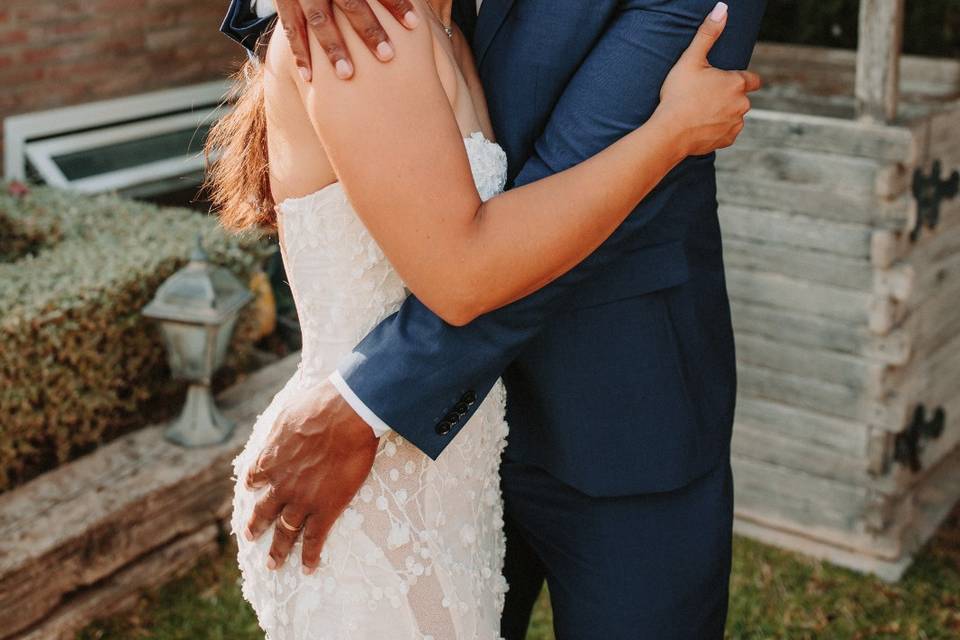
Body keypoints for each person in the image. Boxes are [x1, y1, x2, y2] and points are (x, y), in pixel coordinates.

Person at [213, 0, 764, 637]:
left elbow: (572, 187)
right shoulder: (366, 26)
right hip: (405, 466)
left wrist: (374, 394)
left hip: (616, 415)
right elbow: (470, 261)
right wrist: (670, 135)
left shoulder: (432, 29)